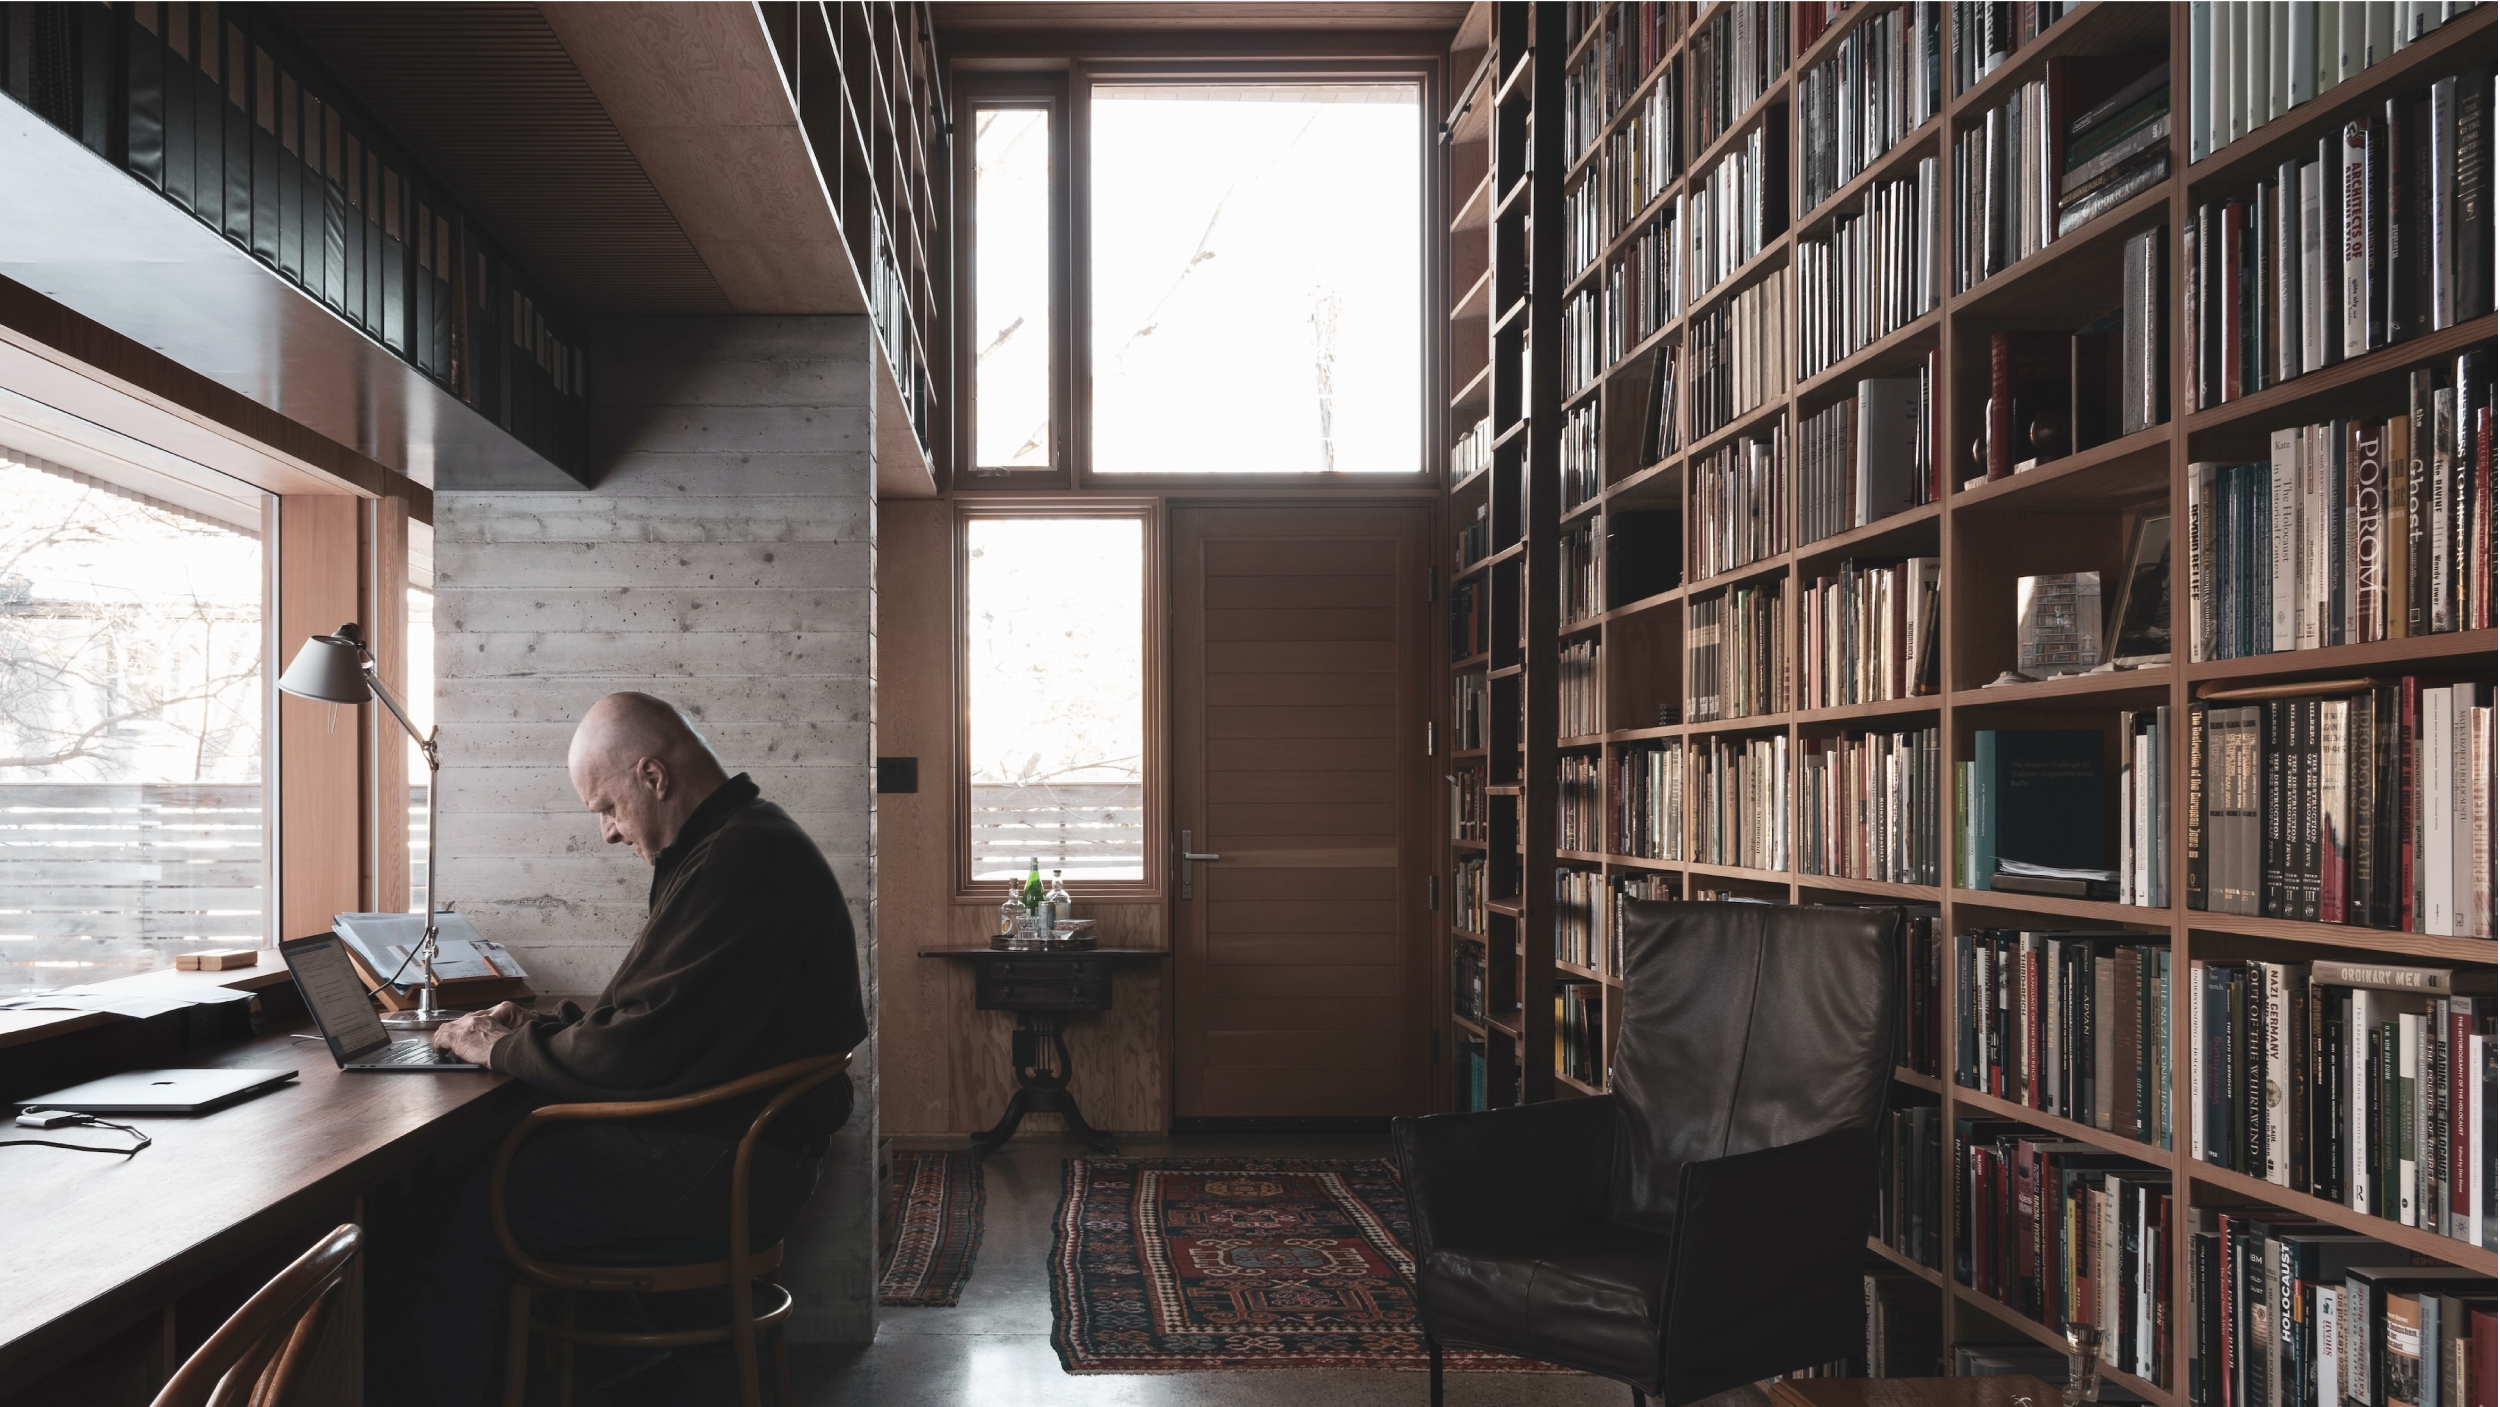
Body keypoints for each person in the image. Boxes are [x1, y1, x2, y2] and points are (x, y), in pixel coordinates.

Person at [411, 691, 867, 1404]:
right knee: (490, 1166)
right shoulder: (742, 841)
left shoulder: (736, 859)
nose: (607, 833)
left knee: (449, 1200)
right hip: (741, 1150)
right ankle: (638, 1374)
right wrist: (531, 1020)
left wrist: (498, 1047)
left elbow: (628, 1055)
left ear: (653, 776)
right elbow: (657, 1012)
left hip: (732, 1167)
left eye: (606, 806)